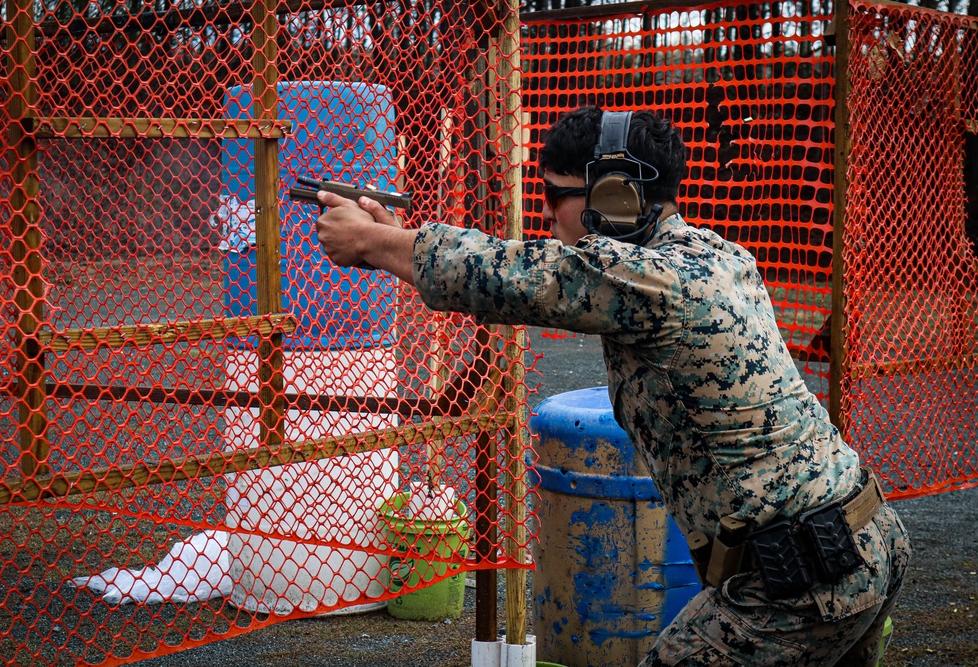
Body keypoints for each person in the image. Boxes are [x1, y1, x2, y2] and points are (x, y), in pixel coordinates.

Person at [313, 105, 911, 667]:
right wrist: (397, 243)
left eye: (556, 195)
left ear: (614, 195)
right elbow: (542, 263)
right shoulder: (710, 254)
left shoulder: (653, 278)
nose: (547, 213)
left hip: (797, 583)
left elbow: (517, 278)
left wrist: (370, 242)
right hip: (857, 543)